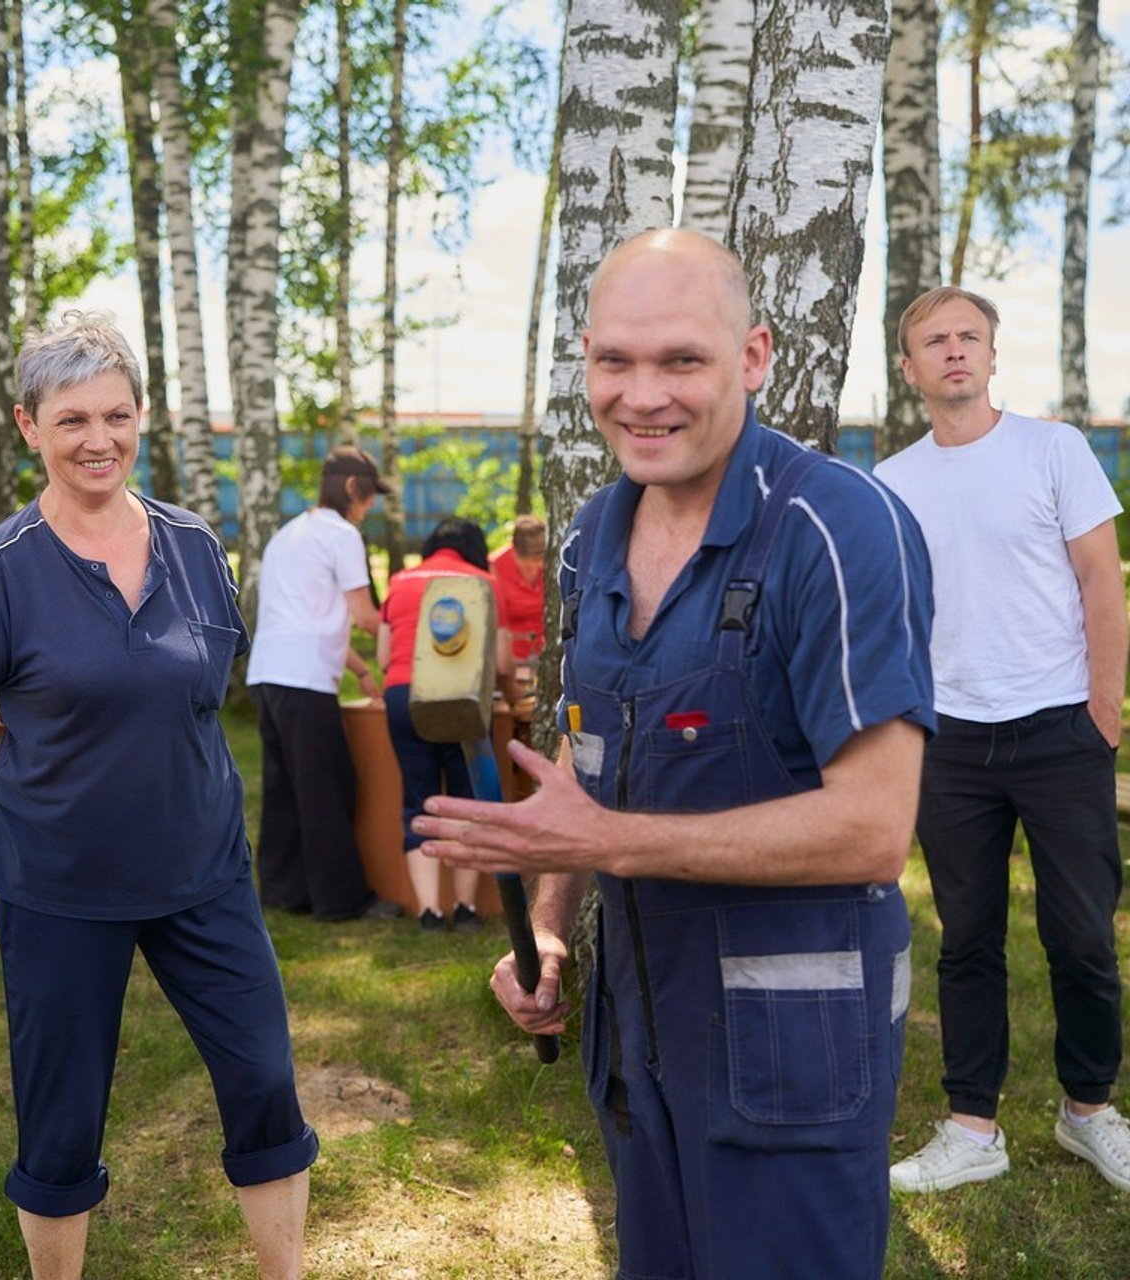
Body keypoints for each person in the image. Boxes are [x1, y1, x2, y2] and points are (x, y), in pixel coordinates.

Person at [411, 229, 936, 1278]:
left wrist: (607, 839)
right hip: (639, 1045)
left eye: (680, 361)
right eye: (614, 360)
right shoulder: (593, 532)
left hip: (792, 1061)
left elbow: (874, 827)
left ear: (753, 356)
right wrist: (552, 929)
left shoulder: (837, 527)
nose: (640, 395)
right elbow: (589, 767)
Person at [0, 313, 318, 1279]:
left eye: (116, 414)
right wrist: (53, 747)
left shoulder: (195, 547)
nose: (98, 439)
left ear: (142, 416)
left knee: (266, 1082)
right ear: (29, 427)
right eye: (71, 420)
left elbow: (198, 695)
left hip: (204, 874)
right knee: (59, 1122)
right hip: (60, 883)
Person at [875, 286, 1130, 1195]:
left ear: (990, 356)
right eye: (933, 341)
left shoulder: (1052, 449)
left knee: (1082, 937)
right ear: (909, 370)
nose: (953, 352)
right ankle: (973, 1127)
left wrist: (1105, 708)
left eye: (968, 338)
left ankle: (1089, 1111)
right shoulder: (892, 483)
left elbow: (1103, 580)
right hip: (951, 741)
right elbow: (888, 616)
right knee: (968, 939)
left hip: (1062, 727)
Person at [246, 446, 403, 922]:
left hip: (268, 673)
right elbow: (364, 616)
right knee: (328, 788)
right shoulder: (342, 536)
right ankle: (342, 900)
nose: (372, 505)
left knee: (286, 788)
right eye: (371, 495)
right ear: (353, 488)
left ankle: (283, 891)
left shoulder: (289, 534)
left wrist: (357, 669)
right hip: (305, 678)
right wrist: (408, 643)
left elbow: (308, 614)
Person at [378, 517, 520, 931]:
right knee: (466, 799)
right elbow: (504, 663)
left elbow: (386, 657)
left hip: (405, 694)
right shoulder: (484, 582)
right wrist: (514, 698)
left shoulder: (401, 581)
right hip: (463, 700)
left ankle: (428, 912)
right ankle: (465, 909)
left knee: (417, 796)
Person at [489, 515, 546, 666]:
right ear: (514, 549)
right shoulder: (494, 567)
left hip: (547, 653)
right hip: (510, 657)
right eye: (529, 563)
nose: (536, 567)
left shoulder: (553, 562)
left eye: (540, 560)